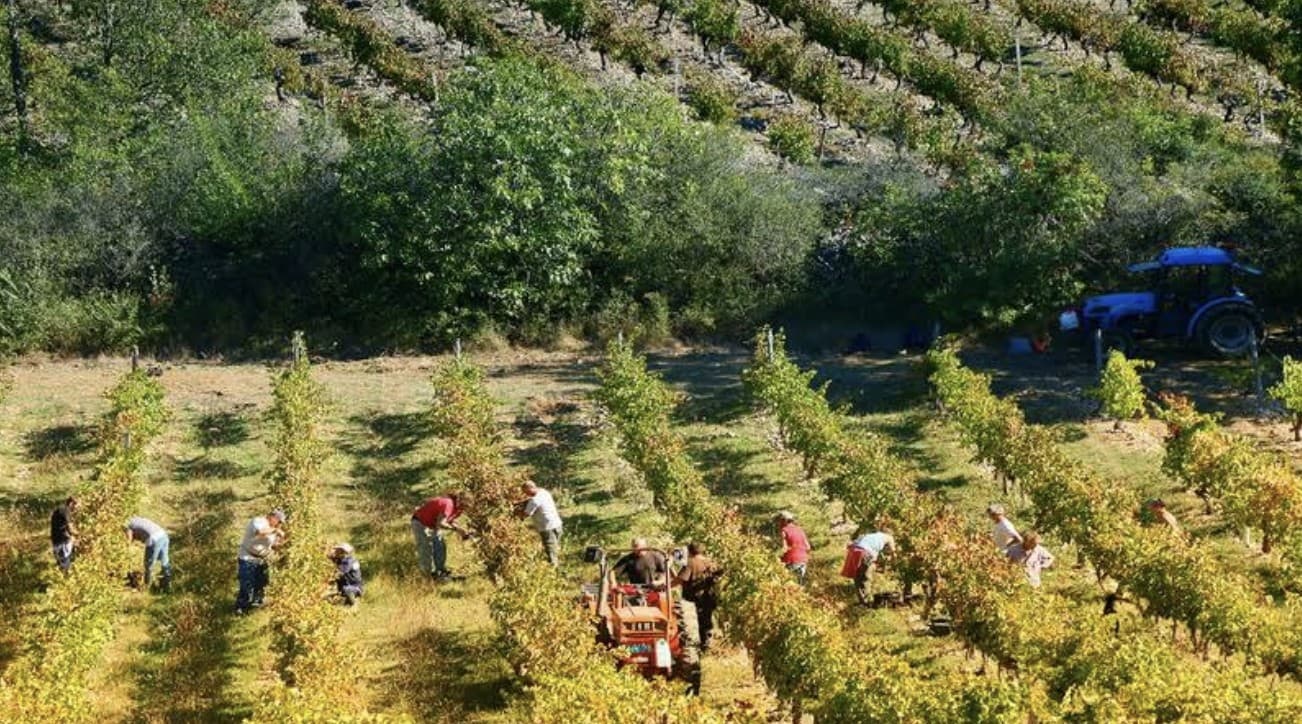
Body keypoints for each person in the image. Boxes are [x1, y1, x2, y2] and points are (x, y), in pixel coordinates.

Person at [235, 508, 287, 614]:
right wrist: (276, 531)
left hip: (262, 559)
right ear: (273, 517)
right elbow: (260, 532)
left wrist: (283, 545)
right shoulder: (258, 521)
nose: (279, 524)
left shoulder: (274, 528)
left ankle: (255, 606)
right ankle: (241, 608)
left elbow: (273, 546)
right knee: (247, 584)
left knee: (262, 583)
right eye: (279, 521)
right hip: (248, 557)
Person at [411, 494, 471, 579]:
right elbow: (441, 523)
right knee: (426, 548)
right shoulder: (448, 504)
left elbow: (449, 520)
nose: (466, 508)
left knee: (440, 545)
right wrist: (456, 529)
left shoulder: (458, 509)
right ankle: (428, 576)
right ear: (460, 501)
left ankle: (440, 571)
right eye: (465, 505)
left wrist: (460, 529)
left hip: (433, 524)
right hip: (420, 522)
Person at [674, 542, 722, 650]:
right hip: (709, 596)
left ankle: (700, 646)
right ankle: (708, 644)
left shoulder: (690, 563)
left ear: (690, 551)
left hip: (694, 598)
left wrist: (666, 585)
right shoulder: (710, 562)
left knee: (696, 623)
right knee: (707, 620)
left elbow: (681, 579)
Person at [514, 480, 563, 567]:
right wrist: (521, 502)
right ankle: (556, 564)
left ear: (531, 488)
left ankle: (554, 570)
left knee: (550, 550)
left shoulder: (534, 501)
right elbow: (530, 499)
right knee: (555, 547)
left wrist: (515, 513)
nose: (526, 494)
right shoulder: (544, 492)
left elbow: (525, 514)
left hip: (547, 528)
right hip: (557, 524)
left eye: (526, 492)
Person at [848, 529, 895, 605]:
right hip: (865, 553)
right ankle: (868, 603)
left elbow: (850, 545)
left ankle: (862, 601)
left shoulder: (870, 535)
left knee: (857, 577)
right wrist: (893, 562)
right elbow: (893, 552)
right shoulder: (889, 537)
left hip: (854, 551)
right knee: (866, 578)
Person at [125, 515, 172, 591]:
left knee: (149, 564)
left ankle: (147, 586)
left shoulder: (128, 525)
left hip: (154, 539)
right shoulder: (136, 519)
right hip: (163, 535)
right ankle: (167, 585)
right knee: (165, 562)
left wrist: (127, 551)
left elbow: (129, 541)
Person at [776, 511, 810, 584]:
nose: (778, 523)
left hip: (791, 561)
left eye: (779, 521)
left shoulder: (784, 531)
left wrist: (776, 557)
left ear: (784, 521)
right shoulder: (800, 530)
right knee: (799, 584)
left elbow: (784, 548)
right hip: (803, 560)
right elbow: (808, 547)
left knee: (786, 584)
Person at [50, 496, 79, 573]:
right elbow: (70, 528)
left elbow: (63, 527)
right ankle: (67, 579)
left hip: (55, 539)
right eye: (76, 506)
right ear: (71, 503)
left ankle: (62, 579)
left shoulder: (59, 509)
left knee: (60, 563)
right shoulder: (66, 511)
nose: (76, 509)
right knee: (65, 562)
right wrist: (80, 534)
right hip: (63, 541)